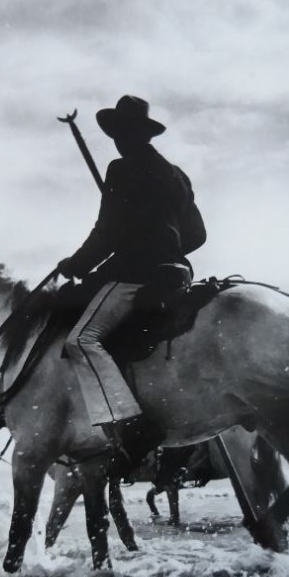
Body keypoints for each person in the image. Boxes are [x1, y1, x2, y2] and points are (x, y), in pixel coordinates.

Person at [56, 95, 207, 469]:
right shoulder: (177, 174)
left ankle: (134, 427)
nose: (116, 141)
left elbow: (105, 232)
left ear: (128, 135)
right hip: (178, 273)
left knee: (81, 340)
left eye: (118, 134)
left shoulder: (120, 169)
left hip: (138, 275)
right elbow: (198, 235)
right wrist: (166, 244)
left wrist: (76, 264)